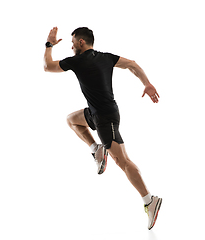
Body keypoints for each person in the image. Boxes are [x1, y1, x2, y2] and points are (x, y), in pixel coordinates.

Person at [44, 26, 162, 230]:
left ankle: (149, 200)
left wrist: (49, 45)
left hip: (105, 118)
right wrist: (147, 83)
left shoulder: (77, 61)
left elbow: (47, 66)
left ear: (81, 42)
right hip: (98, 113)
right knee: (72, 120)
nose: (71, 46)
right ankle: (95, 148)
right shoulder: (106, 57)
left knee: (121, 161)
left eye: (73, 43)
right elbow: (132, 64)